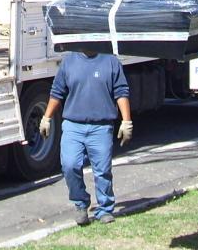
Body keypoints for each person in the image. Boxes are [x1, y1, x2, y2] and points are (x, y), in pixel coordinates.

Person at [39, 49, 132, 225]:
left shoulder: (111, 62)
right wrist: (46, 117)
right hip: (73, 125)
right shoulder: (69, 62)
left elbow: (121, 92)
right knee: (69, 165)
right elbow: (57, 91)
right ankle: (80, 203)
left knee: (103, 171)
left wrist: (126, 121)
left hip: (101, 127)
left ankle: (104, 209)